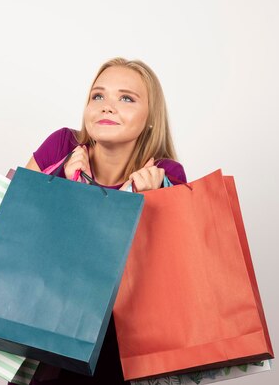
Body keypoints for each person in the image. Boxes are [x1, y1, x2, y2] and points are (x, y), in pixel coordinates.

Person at [10, 57, 188, 385]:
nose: (107, 107)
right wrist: (65, 184)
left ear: (151, 119)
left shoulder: (166, 175)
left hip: (120, 351)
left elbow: (169, 275)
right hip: (46, 332)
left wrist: (152, 202)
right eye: (98, 96)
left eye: (126, 98)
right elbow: (12, 229)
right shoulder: (61, 146)